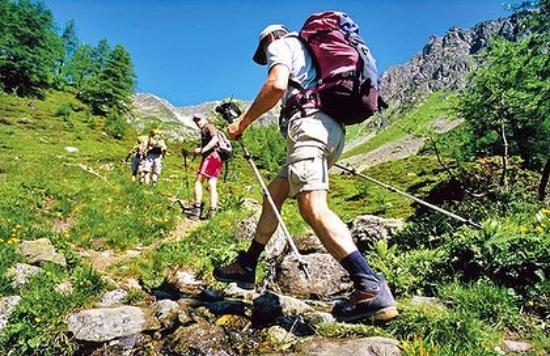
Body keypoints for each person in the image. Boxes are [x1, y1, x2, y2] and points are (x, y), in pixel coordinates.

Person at [213, 24, 398, 322]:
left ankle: (369, 286)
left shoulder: (280, 44)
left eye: (263, 53)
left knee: (312, 206)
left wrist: (242, 124)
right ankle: (247, 264)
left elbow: (275, 85)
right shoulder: (312, 54)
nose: (265, 56)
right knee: (274, 194)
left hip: (308, 127)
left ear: (268, 40)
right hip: (330, 130)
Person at [185, 114, 223, 220]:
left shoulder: (208, 127)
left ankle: (197, 209)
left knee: (198, 182)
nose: (197, 122)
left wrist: (203, 150)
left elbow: (215, 139)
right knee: (212, 184)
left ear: (205, 119)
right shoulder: (206, 129)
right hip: (218, 159)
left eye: (199, 120)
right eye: (195, 121)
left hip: (210, 158)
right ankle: (212, 211)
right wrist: (193, 153)